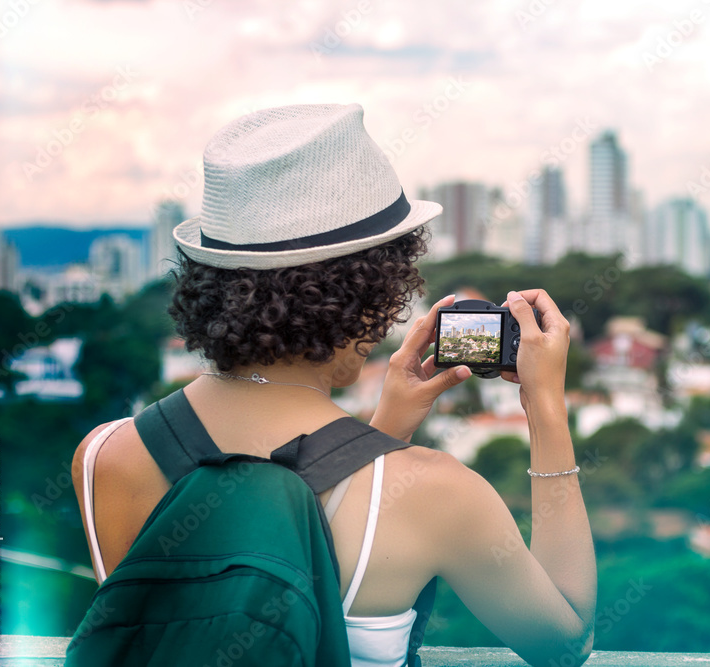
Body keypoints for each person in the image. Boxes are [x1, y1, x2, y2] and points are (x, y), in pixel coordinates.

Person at [71, 103, 596, 667]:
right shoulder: (437, 492)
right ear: (373, 291)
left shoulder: (103, 455)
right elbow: (565, 644)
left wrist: (379, 436)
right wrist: (544, 407)